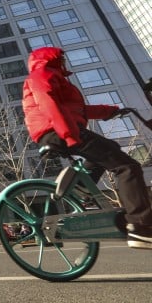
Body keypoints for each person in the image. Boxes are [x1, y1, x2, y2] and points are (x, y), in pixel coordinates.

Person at [22, 46, 152, 249]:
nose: (65, 61)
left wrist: (111, 111)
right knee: (127, 167)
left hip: (61, 128)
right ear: (50, 58)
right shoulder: (42, 74)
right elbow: (47, 102)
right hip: (58, 130)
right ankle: (140, 226)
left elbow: (79, 110)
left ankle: (82, 186)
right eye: (61, 58)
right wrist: (69, 134)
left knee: (111, 147)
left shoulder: (56, 77)